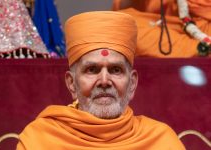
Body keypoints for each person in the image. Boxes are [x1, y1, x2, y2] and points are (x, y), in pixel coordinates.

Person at [16, 11, 186, 150]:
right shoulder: (39, 140)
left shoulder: (161, 141)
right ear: (71, 83)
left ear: (132, 83)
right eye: (92, 70)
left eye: (115, 70)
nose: (104, 81)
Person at [113, 0, 211, 57]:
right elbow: (122, 7)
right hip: (166, 30)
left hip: (206, 28)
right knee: (120, 24)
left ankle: (202, 51)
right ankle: (201, 51)